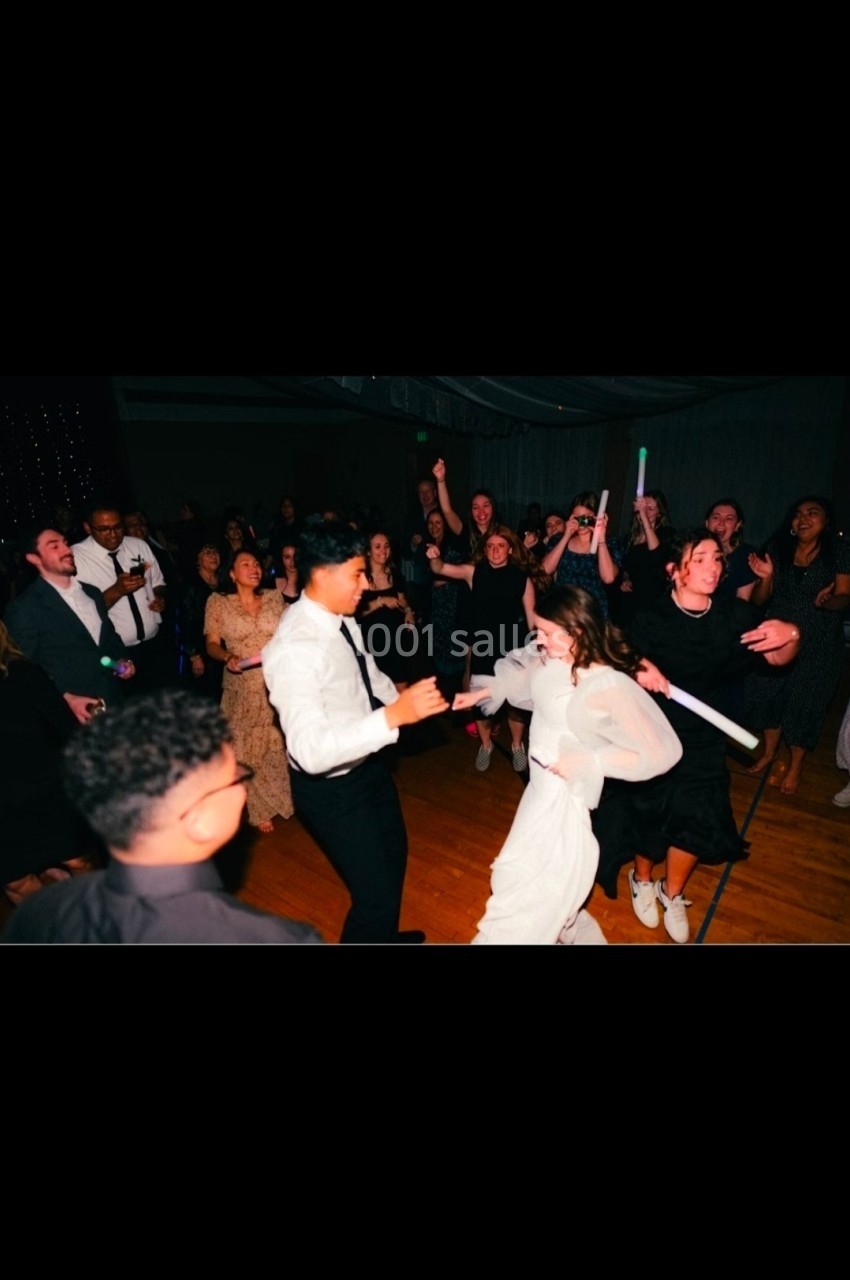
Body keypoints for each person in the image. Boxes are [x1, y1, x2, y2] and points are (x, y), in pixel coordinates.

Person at [594, 528, 800, 942]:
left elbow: (779, 658)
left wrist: (791, 634)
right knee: (650, 812)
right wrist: (638, 667)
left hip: (706, 732)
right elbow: (614, 660)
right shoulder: (649, 616)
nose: (713, 566)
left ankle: (672, 892)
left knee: (698, 815)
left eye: (717, 558)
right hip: (653, 728)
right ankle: (642, 878)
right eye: (700, 558)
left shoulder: (733, 616)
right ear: (674, 570)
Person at [452, 587, 682, 944]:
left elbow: (661, 751)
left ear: (576, 631)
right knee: (527, 881)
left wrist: (592, 760)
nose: (539, 640)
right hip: (537, 791)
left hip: (564, 801)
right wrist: (482, 692)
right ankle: (568, 930)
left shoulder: (604, 683)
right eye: (539, 631)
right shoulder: (550, 657)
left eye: (546, 632)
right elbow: (522, 677)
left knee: (540, 893)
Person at [2, 689, 322, 944]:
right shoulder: (276, 938)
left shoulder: (38, 910)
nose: (243, 788)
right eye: (234, 776)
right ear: (199, 821)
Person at [262, 522, 449, 944]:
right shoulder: (295, 648)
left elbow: (368, 671)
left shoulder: (340, 617)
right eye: (358, 574)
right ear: (323, 574)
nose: (366, 585)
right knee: (374, 896)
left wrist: (404, 702)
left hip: (367, 762)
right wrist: (392, 718)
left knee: (394, 852)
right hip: (331, 789)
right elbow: (309, 752)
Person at [745, 495, 850, 795]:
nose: (803, 518)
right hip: (777, 635)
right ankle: (769, 752)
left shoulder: (839, 551)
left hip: (819, 638)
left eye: (812, 513)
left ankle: (795, 766)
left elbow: (845, 597)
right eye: (798, 514)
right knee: (767, 694)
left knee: (806, 702)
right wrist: (766, 579)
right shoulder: (778, 548)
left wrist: (828, 600)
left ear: (826, 521)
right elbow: (759, 600)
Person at [427, 526, 536, 772]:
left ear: (510, 549)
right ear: (484, 549)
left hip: (513, 648)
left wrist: (539, 648)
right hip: (484, 647)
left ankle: (517, 745)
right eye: (490, 546)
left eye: (501, 546)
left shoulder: (522, 578)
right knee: (482, 703)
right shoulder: (473, 572)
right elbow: (440, 569)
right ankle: (486, 745)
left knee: (515, 703)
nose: (495, 551)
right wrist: (434, 557)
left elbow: (532, 620)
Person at [5, 525, 135, 722]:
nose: (67, 550)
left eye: (66, 543)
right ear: (34, 558)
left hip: (113, 700)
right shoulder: (25, 608)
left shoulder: (91, 593)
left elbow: (108, 638)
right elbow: (22, 670)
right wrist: (65, 698)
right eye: (54, 546)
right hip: (69, 714)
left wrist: (122, 660)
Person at [204, 549, 293, 834]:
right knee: (244, 747)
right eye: (245, 564)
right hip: (241, 684)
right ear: (231, 573)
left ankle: (280, 799)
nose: (254, 568)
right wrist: (226, 656)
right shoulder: (218, 602)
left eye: (256, 563)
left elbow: (289, 634)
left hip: (274, 681)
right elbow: (211, 644)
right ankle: (258, 806)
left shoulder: (273, 598)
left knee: (275, 742)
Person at [0, 620, 87, 907]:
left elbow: (65, 729)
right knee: (15, 880)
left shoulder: (21, 673)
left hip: (43, 792)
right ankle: (50, 923)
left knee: (77, 861)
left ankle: (98, 914)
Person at [71, 502, 168, 691]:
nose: (113, 534)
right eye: (104, 529)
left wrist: (160, 598)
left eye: (118, 527)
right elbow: (80, 613)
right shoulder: (76, 557)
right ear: (88, 528)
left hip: (154, 644)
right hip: (115, 653)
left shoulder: (138, 545)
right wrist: (117, 591)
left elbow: (159, 583)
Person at [542, 491, 621, 619]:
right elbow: (545, 569)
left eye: (586, 518)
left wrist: (600, 538)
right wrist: (566, 536)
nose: (582, 522)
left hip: (591, 613)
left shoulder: (609, 544)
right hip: (562, 608)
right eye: (577, 518)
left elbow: (608, 578)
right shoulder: (558, 540)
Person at [357, 530, 417, 690]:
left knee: (401, 690)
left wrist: (409, 611)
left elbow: (402, 599)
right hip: (370, 642)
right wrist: (381, 601)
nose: (383, 551)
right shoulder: (359, 577)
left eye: (386, 546)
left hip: (395, 640)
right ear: (368, 551)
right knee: (373, 692)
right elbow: (356, 613)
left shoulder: (394, 574)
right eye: (377, 547)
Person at [614, 490, 674, 627]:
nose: (645, 512)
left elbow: (655, 553)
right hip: (631, 601)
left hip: (652, 601)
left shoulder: (666, 534)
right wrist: (625, 579)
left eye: (650, 509)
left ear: (660, 513)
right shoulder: (630, 538)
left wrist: (645, 519)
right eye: (642, 507)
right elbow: (626, 566)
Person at [181, 542, 224, 700]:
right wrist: (194, 655)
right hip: (202, 650)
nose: (213, 555)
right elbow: (185, 622)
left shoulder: (225, 581)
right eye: (207, 552)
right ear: (197, 559)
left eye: (215, 551)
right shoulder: (191, 586)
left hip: (223, 648)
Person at [704, 498, 757, 601]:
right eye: (716, 517)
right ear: (707, 522)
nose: (721, 523)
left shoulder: (745, 555)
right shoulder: (691, 552)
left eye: (729, 519)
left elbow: (742, 601)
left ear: (737, 525)